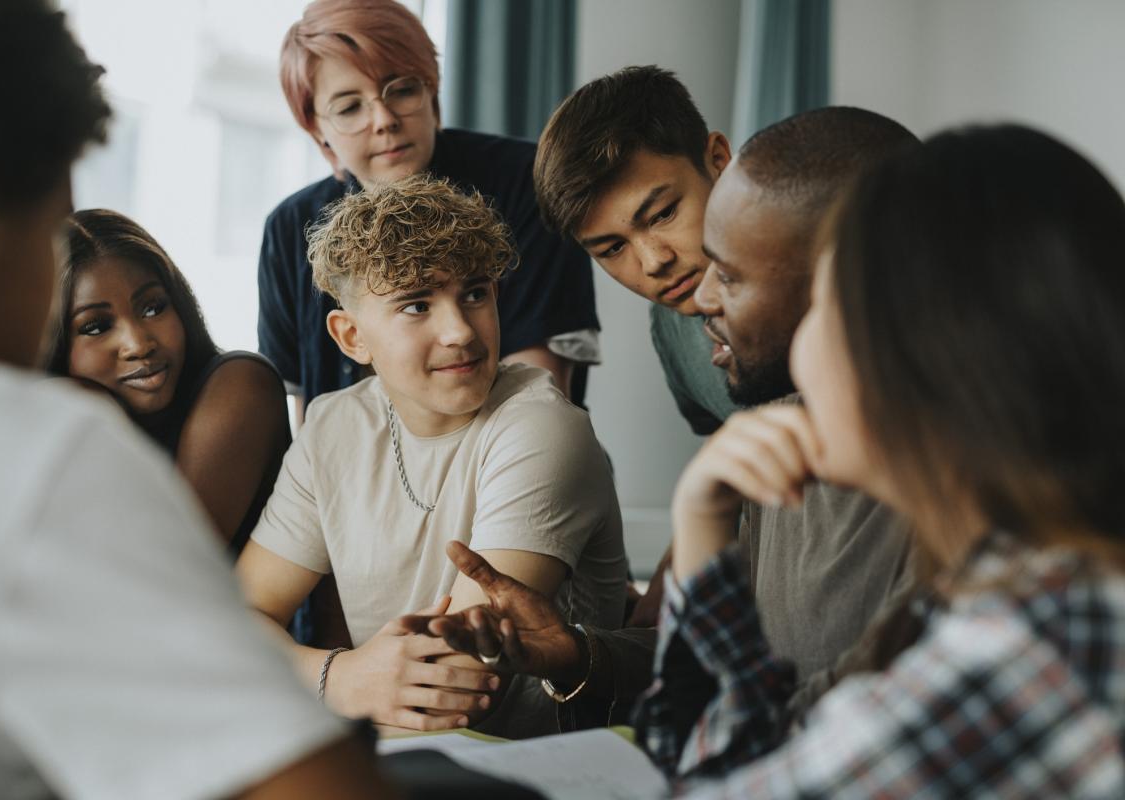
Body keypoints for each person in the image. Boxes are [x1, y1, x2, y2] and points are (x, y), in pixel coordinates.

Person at [0, 1, 393, 796]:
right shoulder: (32, 454)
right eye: (49, 228)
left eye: (149, 306)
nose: (137, 342)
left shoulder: (224, 389)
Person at [635, 123, 1125, 795]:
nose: (702, 301)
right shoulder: (1010, 583)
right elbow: (763, 751)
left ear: (913, 354)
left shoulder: (1018, 654)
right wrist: (702, 531)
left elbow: (710, 781)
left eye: (828, 308)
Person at [433, 105, 918, 715]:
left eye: (734, 275)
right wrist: (581, 653)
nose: (670, 272)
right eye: (611, 247)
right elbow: (732, 663)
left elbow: (769, 726)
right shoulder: (769, 437)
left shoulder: (964, 496)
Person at [237, 174, 627, 739]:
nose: (460, 333)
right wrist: (337, 676)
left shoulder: (543, 425)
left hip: (533, 767)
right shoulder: (332, 427)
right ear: (351, 338)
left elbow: (456, 688)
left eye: (474, 293)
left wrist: (313, 681)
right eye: (416, 305)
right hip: (403, 760)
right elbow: (234, 622)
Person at [261, 0, 599, 424]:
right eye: (350, 107)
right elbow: (311, 426)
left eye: (401, 89)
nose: (383, 119)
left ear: (432, 89)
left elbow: (538, 404)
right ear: (316, 128)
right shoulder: (290, 228)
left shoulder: (526, 181)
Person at [45, 208, 289, 553]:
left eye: (153, 307)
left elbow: (166, 564)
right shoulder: (58, 414)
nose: (138, 344)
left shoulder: (241, 386)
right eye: (96, 327)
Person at [535, 65, 736, 437]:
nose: (654, 261)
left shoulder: (839, 283)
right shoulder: (670, 325)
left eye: (663, 214)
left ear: (719, 161)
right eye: (612, 248)